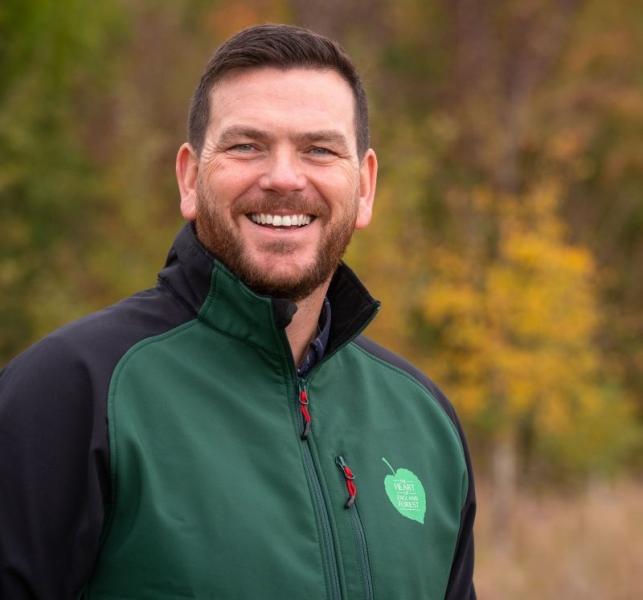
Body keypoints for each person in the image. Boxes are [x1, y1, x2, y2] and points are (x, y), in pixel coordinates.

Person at [0, 24, 476, 599]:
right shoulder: (70, 392)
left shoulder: (423, 423)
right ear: (190, 178)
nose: (283, 178)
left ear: (366, 186)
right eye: (246, 145)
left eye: (319, 149)